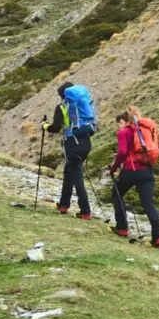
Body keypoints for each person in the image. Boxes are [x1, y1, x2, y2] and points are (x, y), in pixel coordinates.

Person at [110, 104, 159, 248]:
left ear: (125, 120)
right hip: (147, 170)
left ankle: (122, 228)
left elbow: (122, 153)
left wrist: (114, 168)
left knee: (116, 193)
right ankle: (158, 237)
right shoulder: (142, 130)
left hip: (131, 169)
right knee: (148, 204)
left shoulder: (124, 132)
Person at [50, 79, 97, 219]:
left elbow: (55, 128)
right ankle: (63, 204)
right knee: (69, 171)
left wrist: (44, 125)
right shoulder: (82, 104)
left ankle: (85, 211)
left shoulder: (62, 107)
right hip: (86, 142)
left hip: (72, 143)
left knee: (77, 177)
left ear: (63, 95)